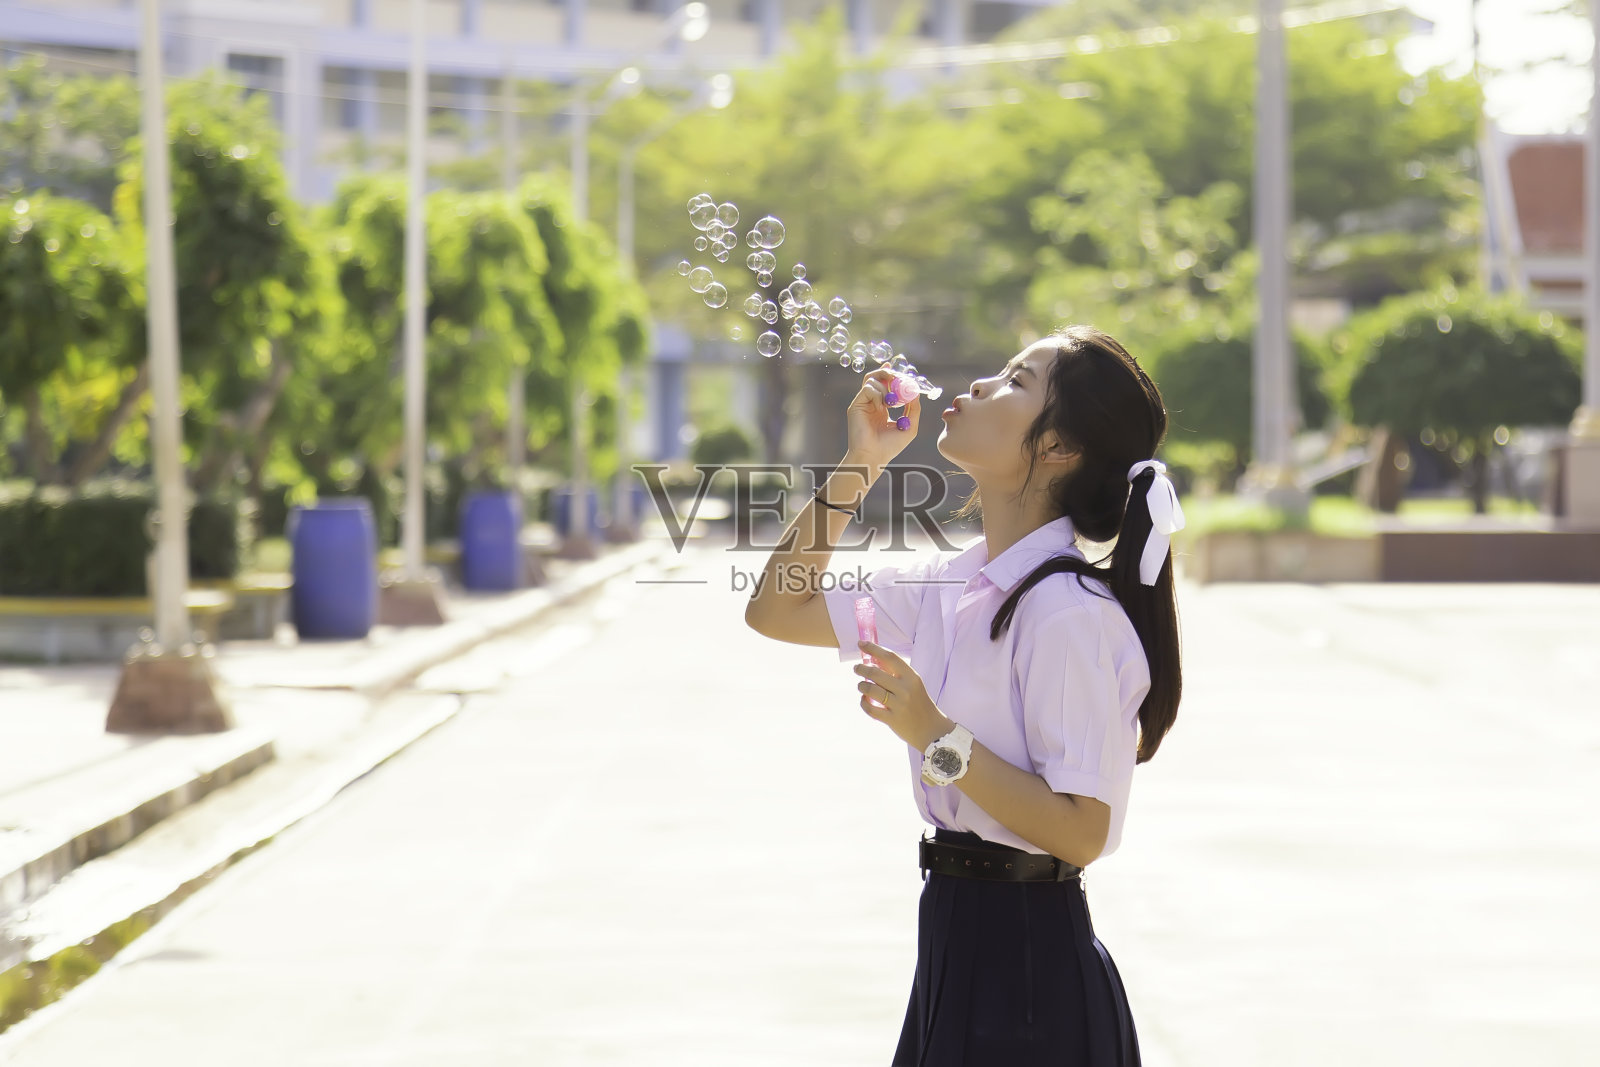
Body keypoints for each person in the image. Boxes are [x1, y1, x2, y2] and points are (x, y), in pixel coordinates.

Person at [743, 325, 1184, 1065]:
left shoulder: (1068, 613)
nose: (980, 385)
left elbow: (1081, 833)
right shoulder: (950, 584)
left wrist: (934, 735)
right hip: (954, 938)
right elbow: (777, 609)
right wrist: (861, 461)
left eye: (1016, 380)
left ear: (1058, 447)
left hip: (1031, 970)